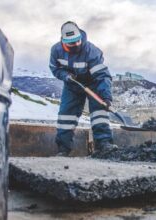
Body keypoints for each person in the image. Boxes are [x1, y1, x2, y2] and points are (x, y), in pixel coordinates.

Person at [49, 21, 116, 156]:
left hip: (93, 84)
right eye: (72, 43)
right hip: (73, 85)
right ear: (64, 41)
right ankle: (63, 149)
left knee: (99, 113)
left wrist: (106, 97)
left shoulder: (91, 51)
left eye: (78, 41)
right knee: (66, 115)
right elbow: (55, 69)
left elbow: (102, 76)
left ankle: (104, 146)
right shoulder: (56, 51)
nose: (76, 45)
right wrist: (65, 75)